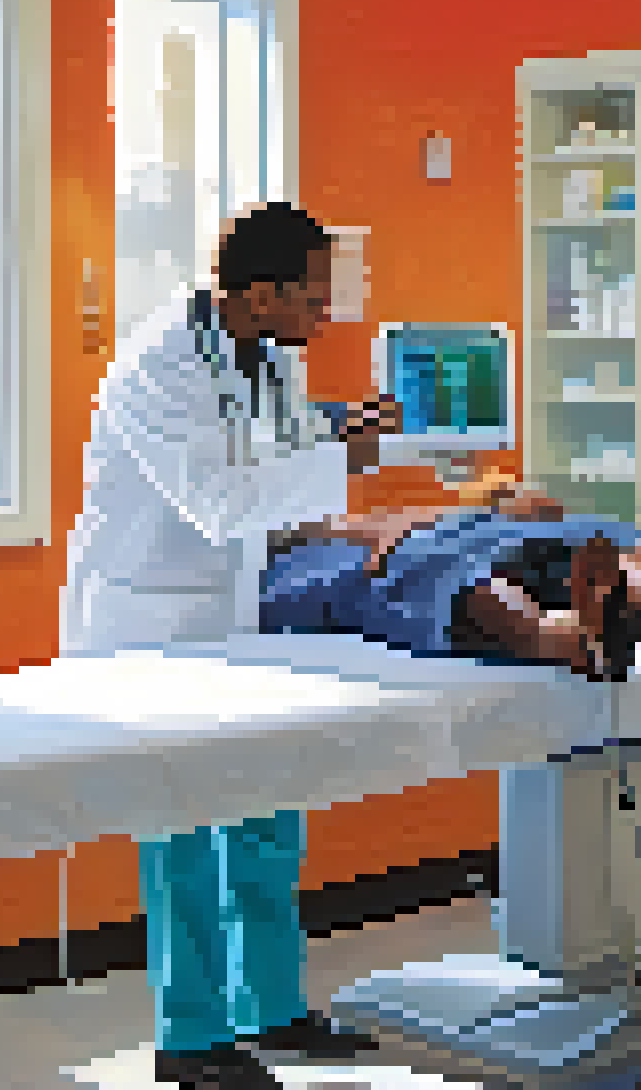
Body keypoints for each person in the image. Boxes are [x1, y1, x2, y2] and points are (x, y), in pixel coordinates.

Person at [61, 202, 402, 1090]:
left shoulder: (266, 356)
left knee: (266, 803)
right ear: (263, 294)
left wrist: (338, 429)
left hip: (237, 613)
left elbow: (274, 447)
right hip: (150, 626)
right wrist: (348, 464)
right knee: (178, 828)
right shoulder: (158, 366)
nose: (325, 315)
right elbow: (222, 499)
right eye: (315, 298)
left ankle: (274, 1008)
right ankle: (194, 1032)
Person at [261, 479, 641, 675]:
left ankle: (569, 630)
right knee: (450, 575)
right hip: (453, 554)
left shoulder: (332, 533)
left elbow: (395, 526)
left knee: (479, 568)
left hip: (491, 542)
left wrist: (496, 499)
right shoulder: (286, 569)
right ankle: (567, 632)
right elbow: (376, 543)